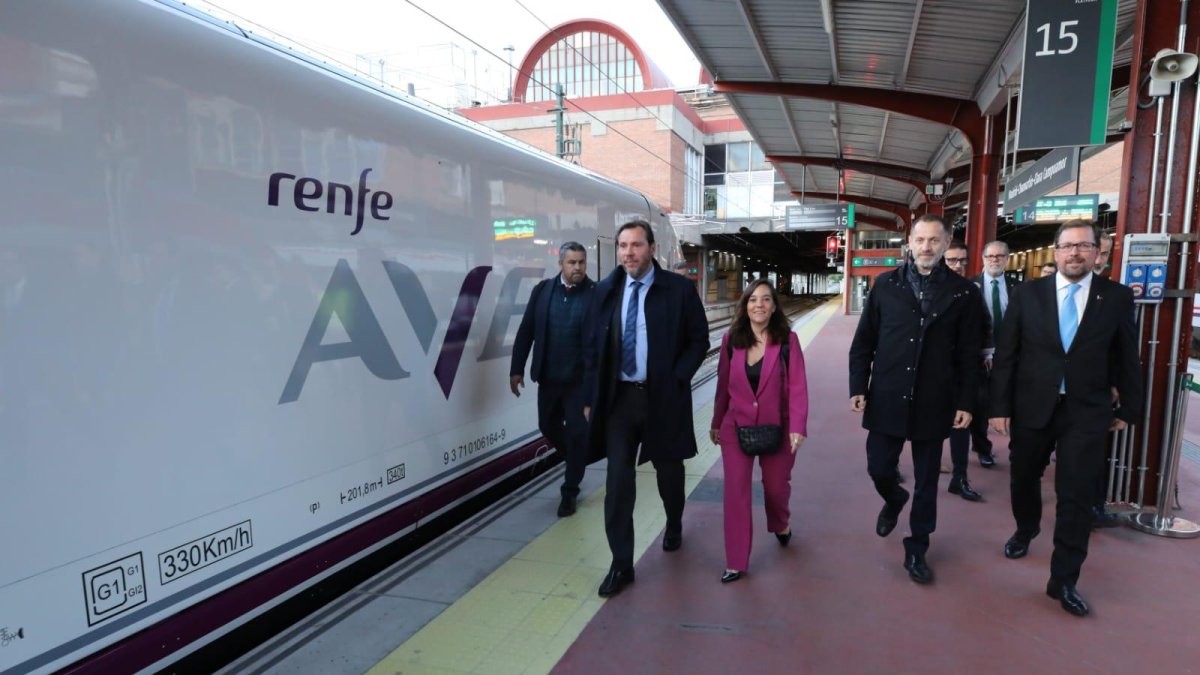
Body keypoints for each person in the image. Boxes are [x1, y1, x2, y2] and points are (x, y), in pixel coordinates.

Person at [989, 219, 1142, 617]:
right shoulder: (1028, 295)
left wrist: (1128, 409)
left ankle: (1065, 577)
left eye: (1084, 246)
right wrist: (999, 408)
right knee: (1023, 476)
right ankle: (1026, 528)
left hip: (1085, 411)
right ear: (1056, 252)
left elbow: (1128, 357)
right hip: (1032, 406)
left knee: (1075, 495)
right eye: (1068, 246)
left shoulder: (1117, 297)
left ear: (1097, 253)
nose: (1075, 253)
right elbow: (1007, 354)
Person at [848, 214, 983, 585]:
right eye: (920, 240)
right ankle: (893, 499)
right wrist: (858, 386)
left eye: (934, 241)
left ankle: (917, 546)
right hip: (887, 396)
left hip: (935, 400)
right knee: (878, 468)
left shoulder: (964, 293)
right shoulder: (884, 286)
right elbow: (863, 344)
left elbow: (970, 355)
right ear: (909, 241)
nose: (926, 247)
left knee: (927, 481)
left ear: (946, 244)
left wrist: (966, 402)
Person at [584, 220, 709, 598]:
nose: (628, 253)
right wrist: (591, 398)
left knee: (669, 472)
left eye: (636, 245)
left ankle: (673, 522)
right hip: (620, 401)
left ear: (651, 248)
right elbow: (592, 348)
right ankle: (621, 564)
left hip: (663, 398)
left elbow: (698, 339)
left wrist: (677, 378)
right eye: (623, 246)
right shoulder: (606, 291)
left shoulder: (678, 291)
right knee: (618, 484)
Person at [710, 279, 809, 583]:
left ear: (774, 306)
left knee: (776, 488)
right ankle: (736, 560)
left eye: (766, 300)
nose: (759, 305)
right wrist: (716, 422)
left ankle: (780, 522)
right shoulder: (731, 340)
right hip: (735, 427)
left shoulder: (787, 341)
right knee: (736, 493)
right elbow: (724, 385)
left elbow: (797, 387)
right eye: (753, 300)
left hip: (777, 428)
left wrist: (797, 426)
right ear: (745, 305)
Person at [510, 242, 596, 518]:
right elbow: (526, 332)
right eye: (572, 263)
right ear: (561, 263)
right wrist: (516, 369)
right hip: (549, 378)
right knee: (546, 424)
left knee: (576, 432)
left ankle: (569, 491)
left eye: (581, 262)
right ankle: (576, 456)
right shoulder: (543, 291)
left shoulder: (595, 295)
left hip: (579, 383)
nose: (578, 268)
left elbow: (602, 345)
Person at [970, 240, 1018, 469]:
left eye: (1000, 256)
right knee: (980, 405)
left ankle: (1016, 450)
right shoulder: (970, 287)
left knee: (1016, 404)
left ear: (1007, 259)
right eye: (990, 256)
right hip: (980, 357)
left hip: (1012, 357)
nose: (994, 260)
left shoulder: (1020, 287)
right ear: (983, 259)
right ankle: (982, 449)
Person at [942, 242, 984, 501]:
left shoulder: (971, 292)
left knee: (960, 425)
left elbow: (982, 328)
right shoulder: (924, 289)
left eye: (961, 261)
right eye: (951, 260)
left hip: (960, 372)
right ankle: (894, 467)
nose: (957, 265)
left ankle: (959, 477)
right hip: (928, 373)